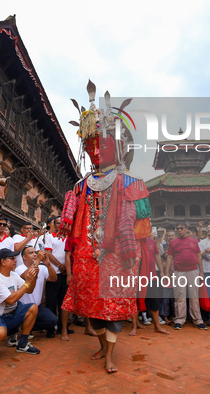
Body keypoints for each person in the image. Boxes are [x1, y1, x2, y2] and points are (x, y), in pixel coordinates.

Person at [58, 87, 152, 373]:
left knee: (113, 311)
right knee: (92, 312)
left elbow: (142, 228)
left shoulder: (132, 183)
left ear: (119, 148)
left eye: (103, 146)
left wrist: (130, 251)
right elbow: (72, 226)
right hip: (88, 255)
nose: (96, 152)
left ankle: (110, 355)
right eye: (91, 147)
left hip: (118, 257)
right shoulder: (80, 186)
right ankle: (101, 346)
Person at [0, 248, 40, 358]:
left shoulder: (14, 275)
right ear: (3, 262)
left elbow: (29, 290)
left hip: (12, 314)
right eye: (12, 258)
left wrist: (34, 277)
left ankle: (22, 344)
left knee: (33, 308)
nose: (15, 260)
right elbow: (11, 300)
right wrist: (28, 282)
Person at [167, 223, 206, 330]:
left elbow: (198, 256)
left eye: (181, 228)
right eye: (177, 228)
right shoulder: (173, 242)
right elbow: (170, 257)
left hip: (193, 270)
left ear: (186, 229)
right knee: (179, 295)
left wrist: (201, 271)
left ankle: (198, 319)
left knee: (194, 295)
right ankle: (179, 319)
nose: (179, 230)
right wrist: (166, 272)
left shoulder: (193, 241)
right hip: (179, 271)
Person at [15, 247, 58, 337]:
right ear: (24, 257)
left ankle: (26, 327)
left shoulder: (42, 267)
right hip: (23, 307)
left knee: (53, 320)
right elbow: (26, 276)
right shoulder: (19, 268)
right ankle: (22, 327)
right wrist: (38, 260)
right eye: (31, 253)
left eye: (35, 252)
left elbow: (53, 279)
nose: (35, 254)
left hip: (37, 307)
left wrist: (48, 264)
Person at [43, 216, 74, 339]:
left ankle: (62, 326)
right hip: (53, 273)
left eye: (62, 223)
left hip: (66, 274)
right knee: (51, 300)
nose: (60, 224)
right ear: (54, 225)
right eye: (58, 223)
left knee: (63, 301)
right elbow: (48, 254)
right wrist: (60, 265)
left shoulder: (68, 237)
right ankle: (50, 328)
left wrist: (67, 268)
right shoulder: (49, 237)